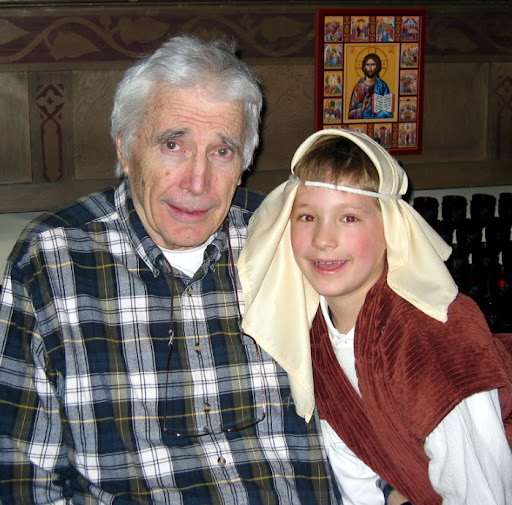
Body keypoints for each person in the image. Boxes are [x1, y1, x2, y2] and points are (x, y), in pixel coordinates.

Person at [0, 35, 341, 504]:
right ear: (125, 150)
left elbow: (378, 387)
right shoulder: (52, 259)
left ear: (244, 162)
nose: (198, 182)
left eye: (222, 151)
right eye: (173, 144)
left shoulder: (291, 239)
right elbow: (23, 473)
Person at [239, 128, 512, 504]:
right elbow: (354, 467)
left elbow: (483, 492)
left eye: (349, 218)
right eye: (307, 216)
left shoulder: (431, 338)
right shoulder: (314, 331)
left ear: (391, 230)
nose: (323, 239)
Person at [348, 54, 393, 120]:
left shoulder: (382, 85)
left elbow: (388, 110)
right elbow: (350, 114)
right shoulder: (358, 87)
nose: (370, 68)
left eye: (373, 65)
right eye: (367, 65)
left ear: (377, 67)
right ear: (364, 67)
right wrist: (362, 108)